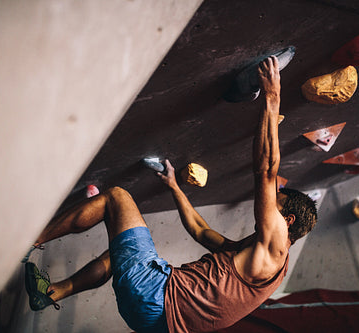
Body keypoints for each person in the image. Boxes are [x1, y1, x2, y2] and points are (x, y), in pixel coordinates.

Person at [23, 56, 317, 333]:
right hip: (149, 321)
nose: (266, 204)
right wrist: (176, 188)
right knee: (119, 251)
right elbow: (202, 232)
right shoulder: (261, 259)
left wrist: (272, 95)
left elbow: (265, 171)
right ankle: (50, 293)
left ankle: (28, 242)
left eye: (275, 203)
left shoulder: (275, 247)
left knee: (116, 198)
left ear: (288, 220)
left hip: (153, 292)